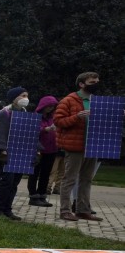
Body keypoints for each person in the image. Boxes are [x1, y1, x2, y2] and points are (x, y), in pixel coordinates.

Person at [54, 71, 103, 222]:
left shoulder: (99, 101)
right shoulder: (69, 100)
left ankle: (83, 210)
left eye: (97, 82)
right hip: (74, 146)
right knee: (69, 179)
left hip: (92, 145)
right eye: (92, 82)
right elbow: (58, 121)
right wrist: (77, 117)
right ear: (81, 84)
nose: (96, 85)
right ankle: (65, 211)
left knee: (87, 179)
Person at [0, 86, 33, 220]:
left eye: (26, 95)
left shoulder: (25, 112)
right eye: (22, 96)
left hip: (21, 151)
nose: (25, 98)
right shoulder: (5, 112)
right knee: (7, 181)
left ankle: (8, 209)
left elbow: (29, 132)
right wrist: (2, 149)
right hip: (7, 152)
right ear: (14, 98)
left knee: (15, 182)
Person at [26, 95, 58, 207]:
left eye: (53, 106)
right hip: (38, 149)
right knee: (34, 173)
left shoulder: (52, 118)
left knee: (45, 174)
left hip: (51, 149)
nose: (51, 108)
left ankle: (42, 195)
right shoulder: (35, 116)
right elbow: (31, 130)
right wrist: (45, 129)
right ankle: (33, 196)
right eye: (49, 106)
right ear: (43, 106)